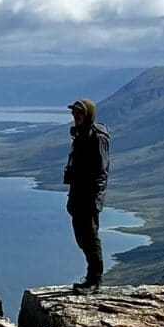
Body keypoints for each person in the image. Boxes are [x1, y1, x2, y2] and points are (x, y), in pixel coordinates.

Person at [65, 96, 110, 289]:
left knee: (90, 237)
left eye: (79, 113)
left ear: (88, 114)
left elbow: (101, 171)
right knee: (82, 237)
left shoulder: (97, 137)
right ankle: (91, 276)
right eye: (74, 113)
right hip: (78, 193)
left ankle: (95, 279)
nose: (75, 116)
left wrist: (94, 199)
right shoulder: (81, 134)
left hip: (89, 196)